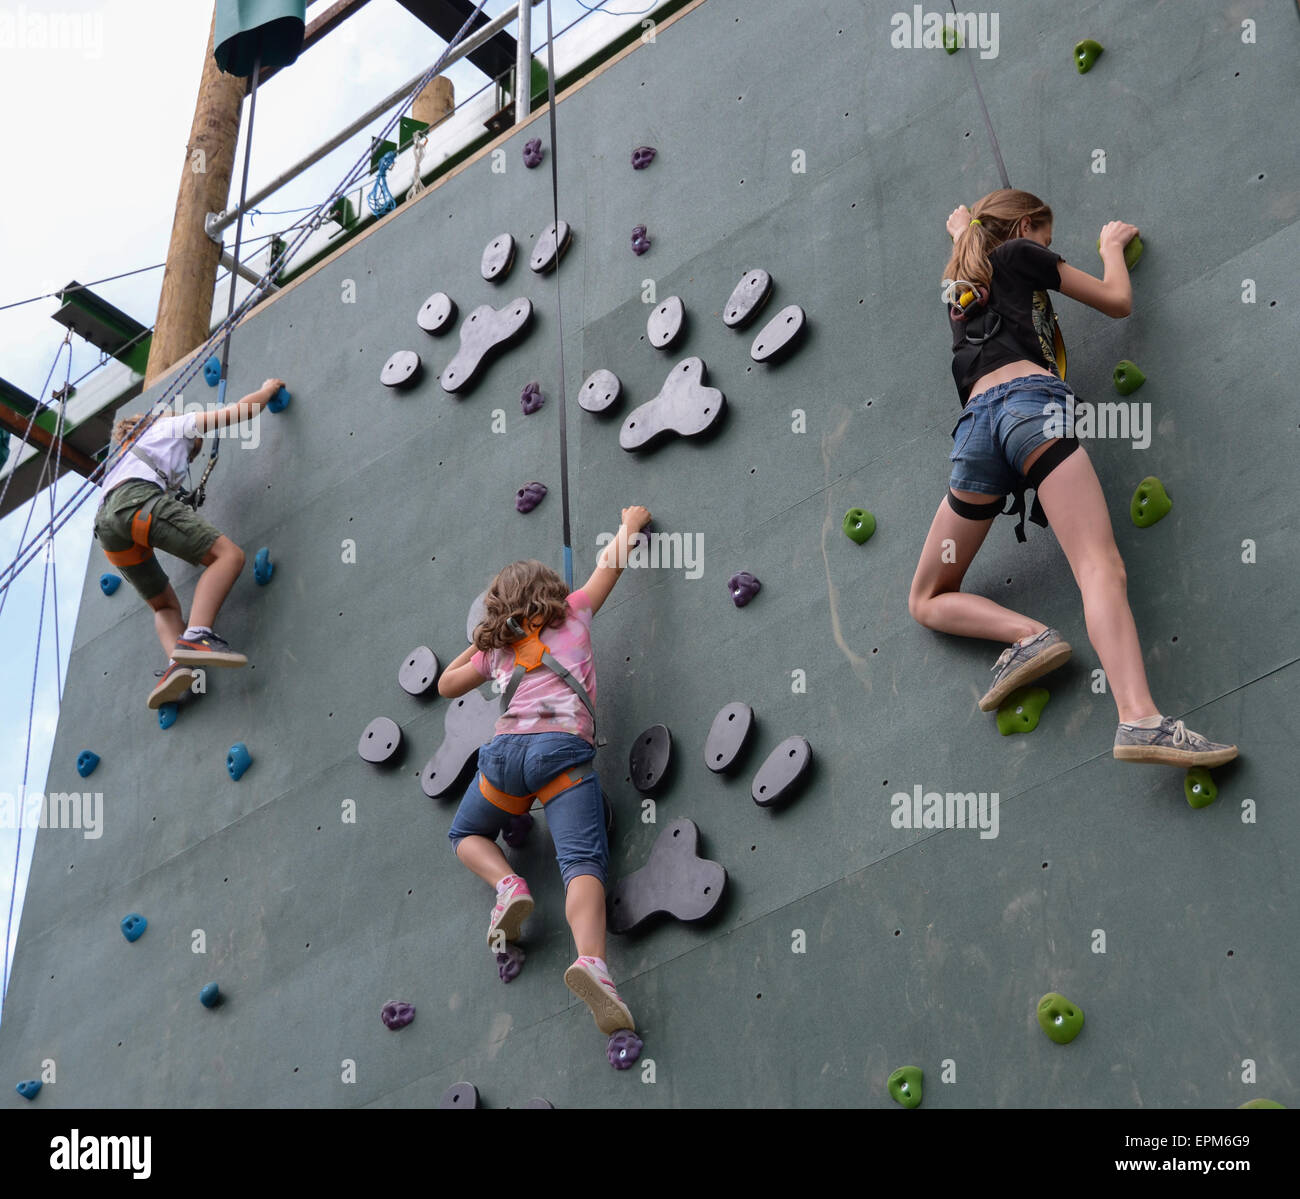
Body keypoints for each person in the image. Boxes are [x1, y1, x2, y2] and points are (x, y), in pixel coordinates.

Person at [907, 189, 1235, 768]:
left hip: (976, 435)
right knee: (1097, 566)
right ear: (1027, 226)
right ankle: (1140, 719)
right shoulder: (1016, 256)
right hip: (1031, 410)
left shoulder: (958, 296)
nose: (1046, 250)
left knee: (928, 597)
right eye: (1046, 238)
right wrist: (1109, 245)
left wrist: (962, 230)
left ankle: (1028, 637)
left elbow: (974, 254)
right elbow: (1116, 301)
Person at [438, 505, 651, 1038]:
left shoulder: (497, 656)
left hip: (508, 754)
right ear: (550, 593)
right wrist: (630, 525)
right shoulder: (575, 612)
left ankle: (508, 884)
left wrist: (486, 638)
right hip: (561, 754)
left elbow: (445, 683)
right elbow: (612, 565)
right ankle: (592, 963)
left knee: (465, 833)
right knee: (581, 861)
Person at [93, 379, 285, 709]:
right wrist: (267, 390)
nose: (193, 452)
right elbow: (241, 411)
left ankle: (177, 666)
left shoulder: (126, 458)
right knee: (228, 556)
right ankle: (197, 636)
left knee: (164, 605)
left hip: (107, 528)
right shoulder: (172, 424)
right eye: (194, 447)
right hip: (136, 502)